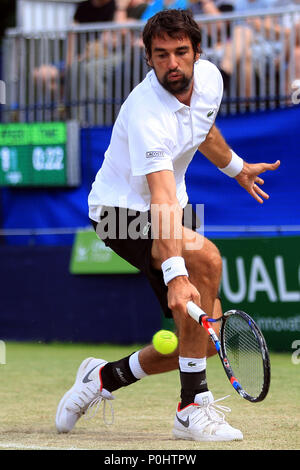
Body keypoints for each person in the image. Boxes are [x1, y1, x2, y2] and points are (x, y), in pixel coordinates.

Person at [55, 9, 280, 441]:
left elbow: (204, 127)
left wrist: (236, 169)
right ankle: (191, 408)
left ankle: (102, 378)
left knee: (201, 337)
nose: (172, 63)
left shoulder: (209, 79)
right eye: (161, 55)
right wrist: (177, 277)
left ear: (197, 52)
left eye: (181, 52)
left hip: (168, 210)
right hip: (119, 214)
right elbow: (158, 196)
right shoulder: (145, 113)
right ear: (148, 58)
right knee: (207, 258)